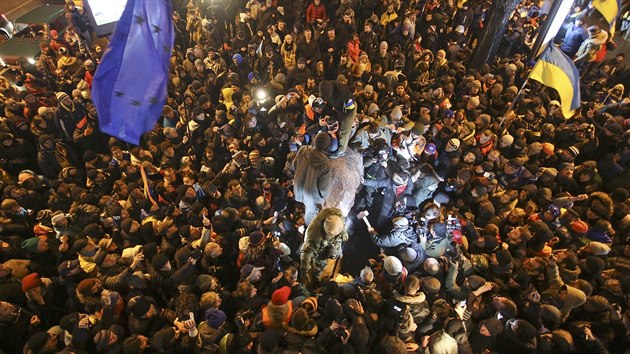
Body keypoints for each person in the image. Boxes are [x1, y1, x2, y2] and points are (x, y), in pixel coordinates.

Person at [300, 208, 347, 289]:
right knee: (319, 262)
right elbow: (306, 252)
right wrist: (305, 270)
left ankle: (317, 275)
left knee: (330, 256)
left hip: (331, 243)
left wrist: (343, 235)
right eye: (330, 235)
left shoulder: (338, 215)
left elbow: (342, 228)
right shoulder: (313, 235)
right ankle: (316, 277)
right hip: (319, 247)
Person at [292, 132, 333, 224]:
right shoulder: (325, 164)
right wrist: (325, 198)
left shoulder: (303, 149)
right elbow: (323, 188)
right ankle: (307, 226)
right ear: (327, 146)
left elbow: (294, 165)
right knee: (310, 212)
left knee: (301, 202)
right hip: (311, 195)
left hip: (298, 187)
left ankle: (297, 212)